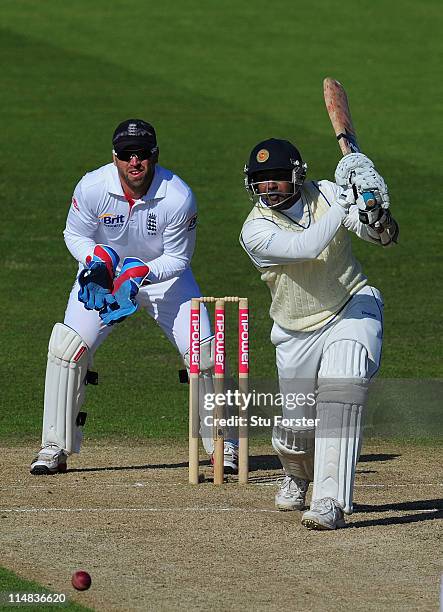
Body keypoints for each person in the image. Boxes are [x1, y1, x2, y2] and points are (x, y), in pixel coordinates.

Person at [30, 119, 238, 475]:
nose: (134, 162)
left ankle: (225, 444)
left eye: (142, 154)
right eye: (127, 155)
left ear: (154, 156)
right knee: (67, 348)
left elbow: (179, 258)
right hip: (104, 278)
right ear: (115, 157)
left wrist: (140, 272)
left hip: (164, 280)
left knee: (205, 352)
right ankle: (54, 446)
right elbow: (73, 234)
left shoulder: (177, 196)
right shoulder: (93, 186)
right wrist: (96, 260)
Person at [240, 138, 399, 530]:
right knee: (297, 433)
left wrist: (374, 213)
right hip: (295, 332)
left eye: (277, 178)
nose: (269, 187)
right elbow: (307, 246)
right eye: (261, 181)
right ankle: (296, 475)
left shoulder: (328, 193)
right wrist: (349, 200)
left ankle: (330, 502)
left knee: (342, 391)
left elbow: (379, 236)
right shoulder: (254, 230)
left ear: (298, 175)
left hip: (350, 307)